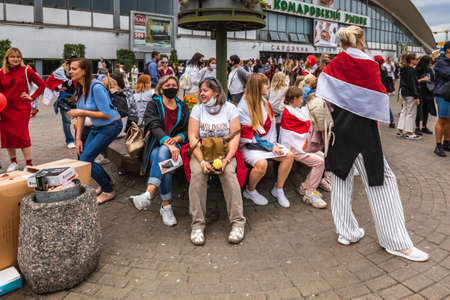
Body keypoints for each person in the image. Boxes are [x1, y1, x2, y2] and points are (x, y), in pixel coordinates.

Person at [316, 25, 428, 262]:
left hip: (337, 131)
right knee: (382, 181)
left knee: (341, 179)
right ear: (361, 40)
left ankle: (346, 232)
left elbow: (324, 98)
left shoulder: (334, 64)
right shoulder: (368, 64)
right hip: (361, 133)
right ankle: (395, 241)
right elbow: (379, 98)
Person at [188, 78, 246, 245]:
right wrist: (201, 161)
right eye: (201, 90)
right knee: (198, 175)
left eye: (205, 90)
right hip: (202, 152)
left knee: (229, 174)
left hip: (225, 153)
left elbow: (235, 136)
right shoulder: (198, 109)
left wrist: (227, 159)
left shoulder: (230, 109)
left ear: (216, 92)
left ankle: (238, 223)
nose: (201, 93)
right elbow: (193, 137)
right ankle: (197, 225)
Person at [130, 76, 189, 226]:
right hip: (156, 144)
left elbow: (187, 129)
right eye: (167, 85)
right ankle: (166, 206)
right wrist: (167, 142)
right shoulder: (154, 104)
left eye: (174, 85)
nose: (171, 87)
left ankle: (149, 194)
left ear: (178, 88)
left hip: (179, 147)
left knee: (162, 156)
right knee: (164, 163)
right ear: (161, 88)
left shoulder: (183, 106)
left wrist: (176, 139)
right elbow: (153, 125)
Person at [68, 58, 122, 204]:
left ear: (84, 71)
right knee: (83, 158)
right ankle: (106, 182)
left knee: (86, 159)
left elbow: (106, 113)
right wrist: (78, 138)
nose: (70, 71)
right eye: (70, 68)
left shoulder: (96, 87)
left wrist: (80, 111)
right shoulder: (80, 87)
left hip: (111, 126)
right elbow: (81, 115)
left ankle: (108, 190)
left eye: (74, 69)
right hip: (97, 127)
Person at [239, 73, 294, 208]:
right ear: (257, 87)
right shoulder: (243, 106)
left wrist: (272, 143)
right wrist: (270, 146)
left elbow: (270, 129)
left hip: (266, 143)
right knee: (262, 164)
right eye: (265, 84)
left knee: (289, 156)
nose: (268, 86)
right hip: (249, 144)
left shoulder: (265, 102)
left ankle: (278, 189)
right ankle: (249, 190)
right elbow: (249, 134)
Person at [279, 87, 330, 209]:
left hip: (298, 145)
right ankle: (309, 192)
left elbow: (306, 118)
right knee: (319, 162)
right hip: (293, 147)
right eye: (300, 98)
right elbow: (307, 121)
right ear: (294, 99)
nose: (302, 100)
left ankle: (306, 185)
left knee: (323, 157)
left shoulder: (294, 109)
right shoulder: (290, 112)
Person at [0, 47, 45, 172]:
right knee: (8, 137)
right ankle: (13, 162)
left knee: (22, 136)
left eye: (18, 57)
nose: (16, 59)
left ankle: (29, 163)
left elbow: (42, 84)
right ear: (7, 58)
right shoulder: (1, 73)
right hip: (4, 110)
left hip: (21, 109)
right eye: (13, 56)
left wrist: (32, 97)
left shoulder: (26, 70)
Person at [397, 54, 422, 140]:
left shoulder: (404, 69)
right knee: (411, 113)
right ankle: (409, 133)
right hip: (410, 93)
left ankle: (400, 130)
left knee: (404, 111)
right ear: (411, 60)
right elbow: (412, 84)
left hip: (404, 92)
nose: (417, 60)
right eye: (416, 59)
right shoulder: (411, 70)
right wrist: (416, 96)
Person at [433, 41, 450, 157]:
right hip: (443, 94)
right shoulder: (441, 62)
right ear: (448, 49)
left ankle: (447, 143)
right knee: (442, 120)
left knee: (449, 120)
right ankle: (438, 146)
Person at [415, 55, 435, 135]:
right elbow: (414, 81)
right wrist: (423, 79)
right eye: (429, 62)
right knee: (419, 110)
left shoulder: (429, 69)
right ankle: (417, 127)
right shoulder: (417, 69)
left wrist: (430, 80)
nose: (430, 63)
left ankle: (424, 126)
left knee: (426, 110)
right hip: (420, 92)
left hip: (428, 92)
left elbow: (433, 79)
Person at [374, 55, 396, 129]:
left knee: (374, 105)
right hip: (383, 89)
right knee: (385, 105)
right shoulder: (384, 69)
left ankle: (374, 121)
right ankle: (391, 119)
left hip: (376, 90)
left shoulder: (375, 69)